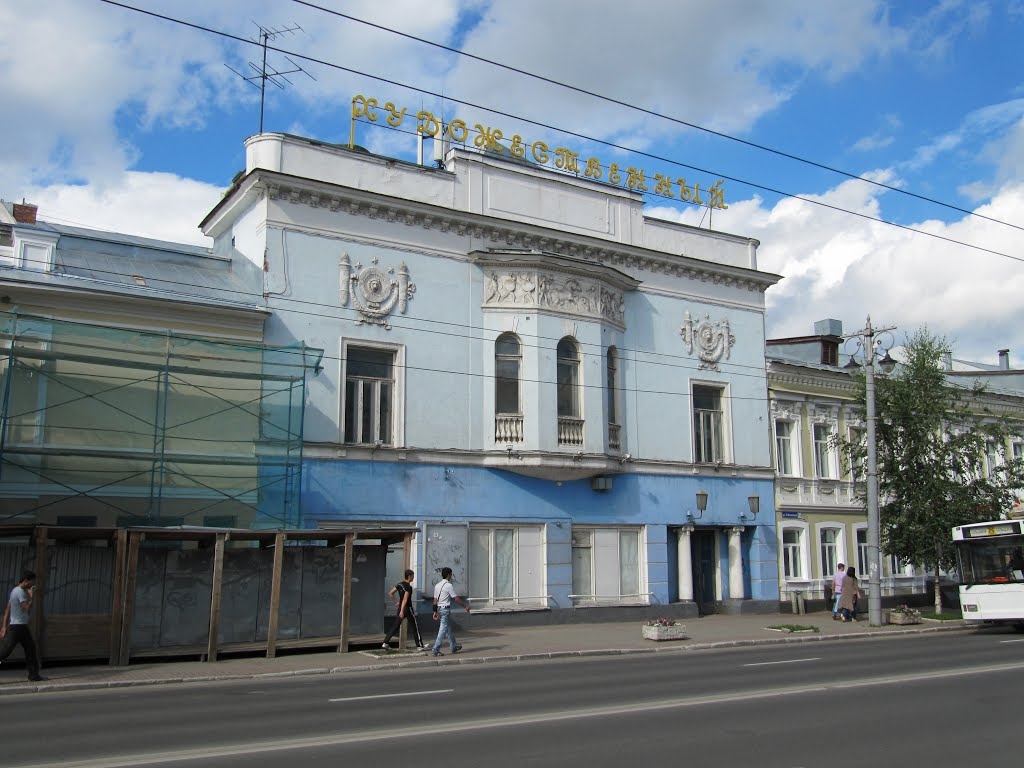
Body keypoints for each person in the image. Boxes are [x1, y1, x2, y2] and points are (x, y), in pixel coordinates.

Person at [0, 570, 45, 682]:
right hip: (19, 627)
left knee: (30, 648)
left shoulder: (14, 591)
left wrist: (4, 626)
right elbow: (27, 609)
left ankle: (33, 675)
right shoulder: (20, 592)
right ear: (26, 581)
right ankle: (33, 675)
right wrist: (31, 596)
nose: (32, 584)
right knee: (6, 651)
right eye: (31, 582)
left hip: (18, 626)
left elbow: (7, 610)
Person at [382, 569, 426, 651]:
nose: (413, 578)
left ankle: (385, 642)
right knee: (414, 626)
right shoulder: (408, 587)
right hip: (407, 608)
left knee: (395, 625)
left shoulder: (399, 584)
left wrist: (396, 602)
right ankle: (419, 646)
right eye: (412, 576)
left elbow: (390, 593)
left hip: (401, 608)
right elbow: (405, 600)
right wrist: (402, 610)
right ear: (409, 576)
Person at [430, 566, 471, 657]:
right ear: (448, 575)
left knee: (448, 628)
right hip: (445, 609)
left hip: (439, 609)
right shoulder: (448, 585)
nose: (451, 576)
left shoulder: (437, 585)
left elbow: (435, 600)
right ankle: (435, 649)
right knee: (443, 630)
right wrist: (465, 606)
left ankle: (454, 646)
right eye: (451, 574)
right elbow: (455, 598)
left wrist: (435, 611)